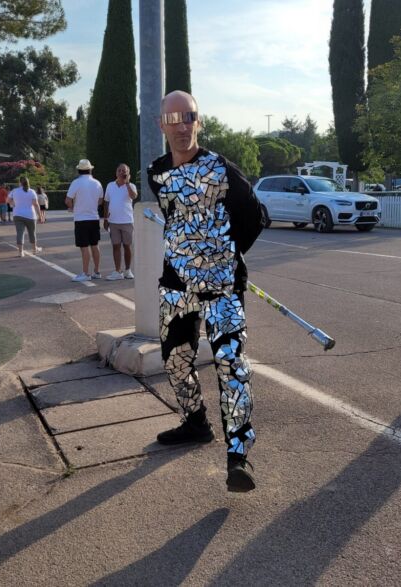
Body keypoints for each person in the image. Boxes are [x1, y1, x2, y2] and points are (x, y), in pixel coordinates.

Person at [148, 91, 265, 492]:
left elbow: (255, 217)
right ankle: (195, 423)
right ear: (161, 125)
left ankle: (239, 458)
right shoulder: (156, 172)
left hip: (222, 290)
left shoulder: (221, 170)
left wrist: (224, 259)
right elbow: (175, 220)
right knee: (176, 362)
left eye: (189, 117)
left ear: (199, 121)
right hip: (176, 287)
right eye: (173, 118)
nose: (182, 126)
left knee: (231, 367)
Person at [65, 159, 103, 282]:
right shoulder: (97, 183)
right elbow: (100, 201)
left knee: (84, 247)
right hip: (94, 218)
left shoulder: (76, 183)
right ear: (90, 169)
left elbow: (68, 200)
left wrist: (73, 208)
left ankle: (85, 273)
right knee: (95, 245)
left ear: (79, 170)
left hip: (81, 218)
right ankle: (97, 271)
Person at [104, 163, 137, 280]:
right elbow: (106, 202)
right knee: (115, 246)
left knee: (127, 246)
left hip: (127, 220)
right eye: (120, 170)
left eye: (124, 171)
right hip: (113, 221)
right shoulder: (110, 186)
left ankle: (128, 270)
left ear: (128, 173)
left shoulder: (131, 186)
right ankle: (117, 271)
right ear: (116, 172)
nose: (122, 172)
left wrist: (127, 183)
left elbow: (133, 196)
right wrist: (105, 218)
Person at [8, 176, 43, 257]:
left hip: (17, 215)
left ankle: (20, 252)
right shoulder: (32, 192)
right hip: (30, 215)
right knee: (32, 233)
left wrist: (13, 204)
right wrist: (40, 216)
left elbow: (8, 200)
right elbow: (36, 204)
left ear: (19, 182)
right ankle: (34, 249)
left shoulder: (14, 191)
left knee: (20, 233)